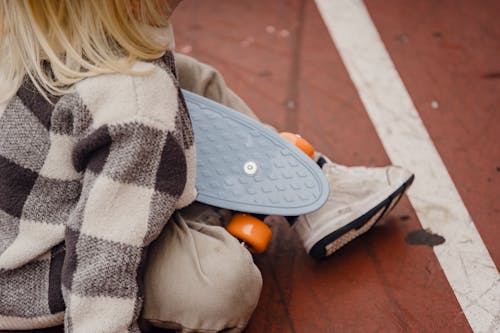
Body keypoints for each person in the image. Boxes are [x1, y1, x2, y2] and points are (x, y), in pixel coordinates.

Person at [0, 1, 413, 332]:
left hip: (23, 225)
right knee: (223, 286)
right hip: (37, 279)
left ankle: (310, 190)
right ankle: (209, 208)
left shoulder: (26, 20)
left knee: (187, 77)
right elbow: (101, 259)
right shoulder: (136, 99)